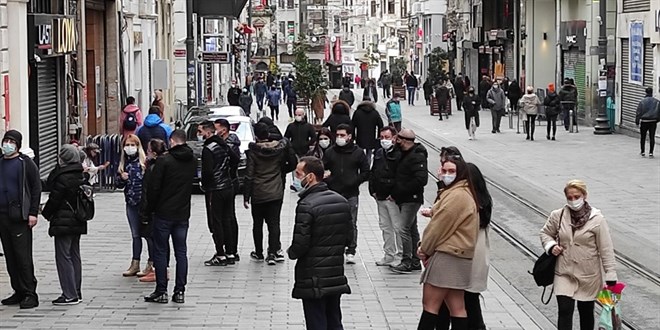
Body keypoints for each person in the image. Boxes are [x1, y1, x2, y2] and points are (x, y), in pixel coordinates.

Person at [540, 179, 617, 330]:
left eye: (577, 197)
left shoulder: (597, 219)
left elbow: (606, 249)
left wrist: (611, 275)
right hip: (564, 272)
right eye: (570, 197)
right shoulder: (559, 215)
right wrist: (551, 246)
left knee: (586, 312)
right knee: (564, 310)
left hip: (588, 275)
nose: (573, 201)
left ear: (584, 196)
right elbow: (545, 233)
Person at [287, 156, 352, 330]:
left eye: (299, 174)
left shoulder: (307, 204)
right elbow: (349, 238)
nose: (297, 178)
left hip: (312, 274)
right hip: (335, 272)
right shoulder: (341, 200)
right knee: (334, 319)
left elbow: (300, 244)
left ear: (311, 177)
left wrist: (291, 253)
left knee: (316, 320)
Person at [416, 153, 479, 329]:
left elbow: (438, 227)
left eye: (451, 171)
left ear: (460, 173)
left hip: (448, 256)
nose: (446, 174)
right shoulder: (463, 192)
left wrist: (424, 248)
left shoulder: (456, 195)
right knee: (457, 306)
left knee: (430, 304)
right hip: (460, 256)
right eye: (444, 170)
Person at [435, 163, 492, 330]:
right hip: (476, 256)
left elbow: (444, 219)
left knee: (448, 300)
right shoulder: (482, 199)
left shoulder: (464, 199)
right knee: (469, 299)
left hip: (461, 255)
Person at [143, 129, 196, 303]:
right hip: (182, 213)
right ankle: (180, 291)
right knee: (181, 252)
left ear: (172, 141)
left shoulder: (164, 161)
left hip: (164, 213)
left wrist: (149, 210)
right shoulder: (192, 160)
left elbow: (154, 188)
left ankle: (161, 290)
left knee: (160, 251)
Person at [0, 130, 41, 309]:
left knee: (22, 257)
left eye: (11, 141)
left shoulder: (25, 163)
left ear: (17, 144)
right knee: (10, 256)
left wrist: (33, 212)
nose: (7, 144)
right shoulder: (0, 163)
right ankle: (17, 290)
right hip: (2, 216)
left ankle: (30, 293)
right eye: (5, 140)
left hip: (20, 217)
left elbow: (36, 188)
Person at [41, 144, 86, 305]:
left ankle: (69, 294)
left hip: (63, 221)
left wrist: (45, 213)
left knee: (63, 256)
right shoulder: (80, 174)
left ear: (63, 158)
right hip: (78, 220)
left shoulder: (62, 176)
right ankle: (76, 291)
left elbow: (55, 199)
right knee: (74, 254)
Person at [244, 123, 293, 264]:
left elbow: (249, 175)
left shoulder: (254, 152)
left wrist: (246, 196)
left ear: (256, 136)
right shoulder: (278, 150)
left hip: (258, 192)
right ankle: (272, 253)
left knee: (257, 224)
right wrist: (281, 172)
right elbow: (291, 162)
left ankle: (258, 252)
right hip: (275, 191)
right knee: (274, 223)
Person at [322, 123, 369, 264]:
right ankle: (336, 248)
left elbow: (366, 171)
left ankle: (351, 249)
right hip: (333, 193)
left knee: (351, 222)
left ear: (349, 136)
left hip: (351, 193)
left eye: (342, 135)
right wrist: (328, 179)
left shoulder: (358, 152)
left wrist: (355, 181)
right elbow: (322, 169)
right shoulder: (330, 152)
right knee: (332, 222)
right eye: (337, 135)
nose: (339, 138)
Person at [198, 121, 239, 266]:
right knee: (227, 219)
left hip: (215, 188)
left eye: (200, 131)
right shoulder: (223, 144)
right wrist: (228, 173)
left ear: (208, 132)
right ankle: (230, 252)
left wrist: (204, 183)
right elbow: (235, 159)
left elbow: (207, 171)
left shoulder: (208, 148)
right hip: (227, 185)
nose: (199, 135)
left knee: (217, 222)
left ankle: (220, 254)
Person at [389, 129, 427, 274]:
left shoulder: (417, 156)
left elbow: (421, 180)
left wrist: (400, 190)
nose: (395, 141)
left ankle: (407, 261)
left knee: (403, 228)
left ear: (404, 141)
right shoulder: (402, 153)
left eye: (398, 139)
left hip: (411, 198)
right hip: (404, 198)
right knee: (411, 229)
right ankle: (415, 261)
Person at [116, 135, 150, 277]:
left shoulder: (144, 164)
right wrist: (122, 179)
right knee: (136, 235)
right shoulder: (124, 165)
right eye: (127, 145)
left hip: (144, 205)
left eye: (132, 145)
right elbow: (118, 184)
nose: (129, 148)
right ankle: (135, 263)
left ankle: (151, 263)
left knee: (148, 235)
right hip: (131, 204)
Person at [136, 138, 168, 283]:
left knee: (154, 240)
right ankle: (159, 268)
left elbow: (148, 192)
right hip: (163, 209)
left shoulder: (153, 168)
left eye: (148, 150)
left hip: (154, 210)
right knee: (159, 240)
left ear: (154, 153)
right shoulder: (164, 165)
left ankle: (158, 269)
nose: (146, 152)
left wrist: (145, 212)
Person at [369, 127, 402, 267]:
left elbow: (400, 176)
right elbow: (373, 171)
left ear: (394, 138)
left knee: (397, 227)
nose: (384, 140)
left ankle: (400, 255)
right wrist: (372, 190)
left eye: (387, 137)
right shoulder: (379, 153)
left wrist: (394, 194)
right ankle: (389, 254)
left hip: (392, 197)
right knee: (385, 226)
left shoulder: (399, 154)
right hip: (380, 196)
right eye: (382, 137)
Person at [635, 86, 659, 158]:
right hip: (653, 121)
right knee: (652, 137)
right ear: (652, 92)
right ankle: (651, 153)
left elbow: (638, 112)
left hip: (644, 121)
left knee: (643, 137)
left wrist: (637, 121)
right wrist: (657, 120)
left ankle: (643, 152)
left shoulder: (642, 102)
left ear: (645, 92)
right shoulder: (657, 102)